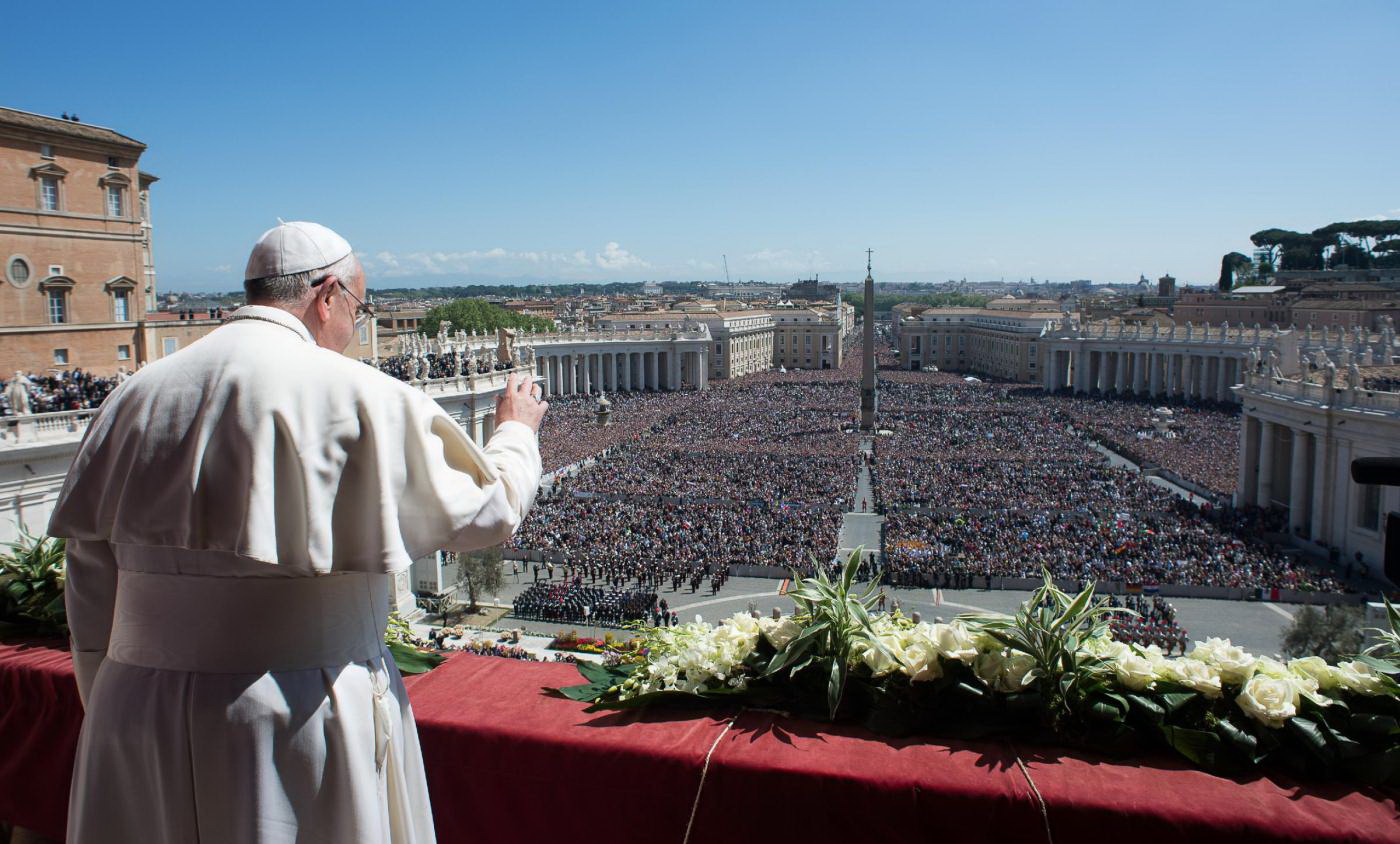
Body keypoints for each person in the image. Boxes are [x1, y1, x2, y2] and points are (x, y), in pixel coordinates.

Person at [49, 221, 548, 843]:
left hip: (134, 710)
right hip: (296, 708)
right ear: (329, 293)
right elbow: (490, 512)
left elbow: (90, 579)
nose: (355, 326)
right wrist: (516, 431)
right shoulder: (362, 392)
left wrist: (113, 698)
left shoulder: (132, 396)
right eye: (360, 309)